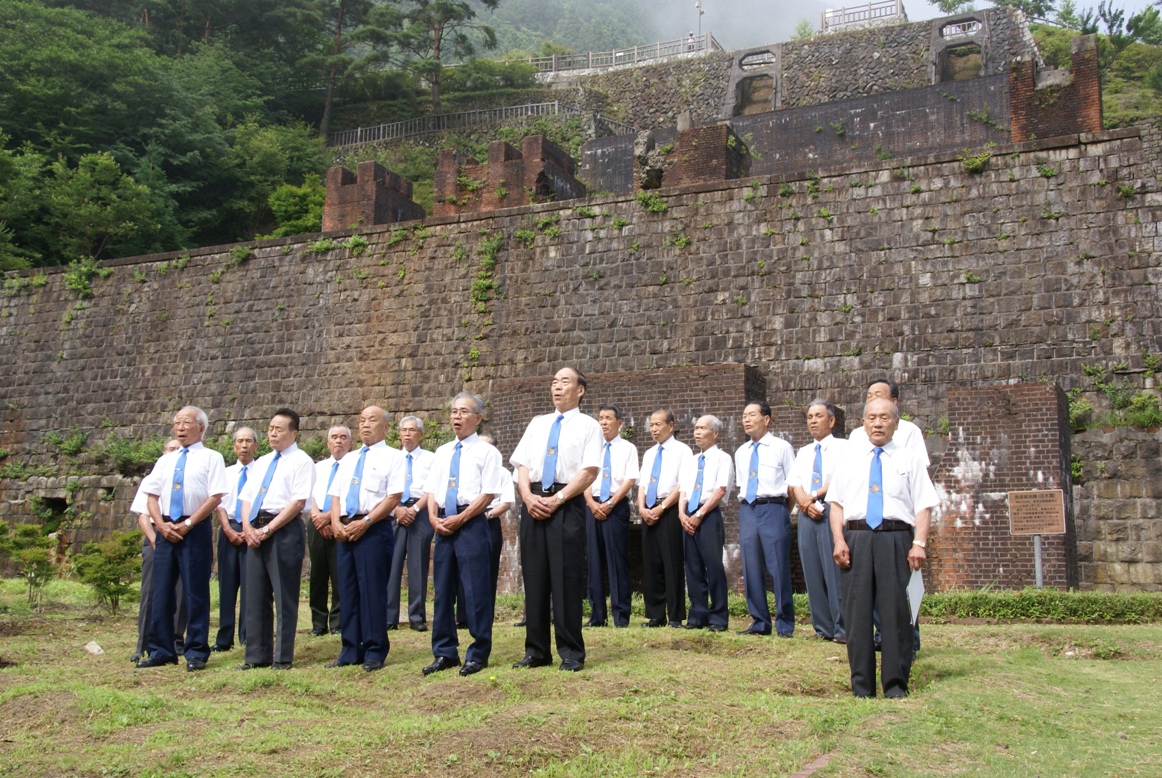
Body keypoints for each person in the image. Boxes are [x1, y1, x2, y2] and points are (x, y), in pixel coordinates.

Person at [828, 397, 937, 698]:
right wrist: (839, 540)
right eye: (872, 417)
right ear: (863, 423)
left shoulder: (909, 458)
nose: (878, 423)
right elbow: (836, 504)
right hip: (857, 538)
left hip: (896, 538)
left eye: (885, 418)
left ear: (896, 423)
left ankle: (895, 685)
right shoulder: (849, 458)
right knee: (857, 613)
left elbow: (924, 505)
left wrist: (919, 544)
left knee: (896, 614)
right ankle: (861, 687)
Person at [510, 367, 602, 672]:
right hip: (533, 501)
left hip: (566, 503)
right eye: (554, 382)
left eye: (564, 382)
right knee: (534, 577)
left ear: (580, 390)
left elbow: (589, 471)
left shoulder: (589, 426)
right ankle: (536, 650)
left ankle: (571, 652)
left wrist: (558, 499)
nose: (557, 387)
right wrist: (527, 496)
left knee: (566, 578)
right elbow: (522, 464)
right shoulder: (538, 424)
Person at [421, 393, 506, 676]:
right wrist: (433, 517)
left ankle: (478, 652)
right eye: (454, 411)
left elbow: (488, 494)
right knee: (443, 591)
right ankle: (445, 652)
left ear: (478, 418)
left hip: (470, 523)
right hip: (443, 524)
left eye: (464, 412)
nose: (456, 417)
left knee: (475, 590)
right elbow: (432, 489)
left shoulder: (487, 453)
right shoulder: (443, 452)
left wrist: (461, 518)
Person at [136, 408, 227, 671]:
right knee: (161, 591)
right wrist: (161, 525)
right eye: (177, 423)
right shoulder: (165, 460)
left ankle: (196, 650)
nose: (180, 427)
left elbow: (215, 496)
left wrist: (188, 523)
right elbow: (151, 495)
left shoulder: (212, 458)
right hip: (166, 528)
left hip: (194, 528)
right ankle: (161, 649)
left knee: (195, 592)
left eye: (186, 422)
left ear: (201, 428)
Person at [326, 406, 404, 672]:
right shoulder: (347, 459)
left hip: (373, 528)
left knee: (372, 590)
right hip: (345, 529)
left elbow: (393, 496)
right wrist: (335, 521)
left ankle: (374, 649)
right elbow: (335, 494)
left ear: (386, 428)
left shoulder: (394, 457)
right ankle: (350, 649)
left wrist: (366, 522)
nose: (365, 425)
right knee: (346, 591)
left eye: (372, 420)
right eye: (361, 421)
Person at [238, 408, 314, 670]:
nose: (272, 432)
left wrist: (268, 529)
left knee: (284, 595)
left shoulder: (301, 461)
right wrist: (248, 527)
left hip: (282, 530)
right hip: (255, 530)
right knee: (255, 595)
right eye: (270, 428)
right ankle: (256, 655)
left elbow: (297, 503)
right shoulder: (261, 462)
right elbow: (246, 498)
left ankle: (282, 657)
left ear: (293, 433)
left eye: (279, 429)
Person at [733, 401, 797, 638]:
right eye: (743, 416)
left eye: (751, 415)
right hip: (748, 509)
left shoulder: (782, 447)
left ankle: (785, 623)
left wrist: (782, 512)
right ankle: (759, 621)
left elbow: (793, 484)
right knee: (751, 567)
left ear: (767, 419)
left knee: (778, 566)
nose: (746, 420)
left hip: (773, 508)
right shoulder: (741, 451)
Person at [788, 400, 847, 644]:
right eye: (810, 416)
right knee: (811, 569)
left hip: (831, 509)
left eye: (818, 416)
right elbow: (795, 482)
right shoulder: (803, 452)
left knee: (834, 572)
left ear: (831, 421)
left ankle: (842, 627)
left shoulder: (844, 447)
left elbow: (840, 478)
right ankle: (822, 627)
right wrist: (804, 503)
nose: (813, 420)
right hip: (806, 514)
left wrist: (813, 497)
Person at [582, 405, 638, 628]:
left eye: (608, 418)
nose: (603, 422)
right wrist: (591, 503)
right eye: (600, 418)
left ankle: (621, 615)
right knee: (593, 561)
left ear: (619, 423)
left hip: (616, 506)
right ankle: (597, 615)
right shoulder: (590, 448)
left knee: (617, 561)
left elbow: (630, 479)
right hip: (592, 505)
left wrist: (611, 503)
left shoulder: (628, 448)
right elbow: (584, 477)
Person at [677, 415, 734, 632]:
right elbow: (684, 490)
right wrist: (682, 514)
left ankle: (718, 617)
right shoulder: (692, 460)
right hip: (688, 514)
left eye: (702, 428)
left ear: (715, 433)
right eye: (696, 428)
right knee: (692, 567)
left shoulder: (722, 458)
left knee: (714, 566)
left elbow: (720, 490)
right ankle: (697, 616)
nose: (697, 432)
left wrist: (699, 514)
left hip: (708, 515)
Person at [132, 438, 185, 663]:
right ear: (164, 452)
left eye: (179, 450)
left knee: (181, 592)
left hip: (181, 533)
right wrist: (155, 539)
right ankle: (144, 642)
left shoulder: (186, 478)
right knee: (151, 591)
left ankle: (175, 639)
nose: (174, 453)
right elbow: (142, 514)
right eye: (171, 449)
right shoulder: (152, 479)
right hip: (157, 535)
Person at [637, 409, 691, 628]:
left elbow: (682, 483)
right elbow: (642, 483)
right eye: (651, 425)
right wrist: (641, 507)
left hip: (667, 509)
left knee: (672, 562)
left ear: (671, 425)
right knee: (652, 563)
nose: (654, 429)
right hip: (648, 509)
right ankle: (655, 614)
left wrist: (662, 507)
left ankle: (675, 615)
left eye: (658, 425)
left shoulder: (682, 451)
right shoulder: (650, 453)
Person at [386, 416, 436, 632]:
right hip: (394, 511)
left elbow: (432, 488)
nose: (407, 434)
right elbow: (384, 489)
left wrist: (415, 509)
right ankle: (389, 617)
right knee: (391, 565)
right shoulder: (392, 458)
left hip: (420, 511)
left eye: (412, 430)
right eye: (404, 430)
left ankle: (416, 616)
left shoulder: (431, 459)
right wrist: (396, 509)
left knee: (418, 565)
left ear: (421, 434)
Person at [211, 427, 257, 652]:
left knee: (251, 584)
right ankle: (224, 637)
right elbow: (218, 503)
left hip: (252, 530)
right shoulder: (226, 473)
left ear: (256, 446)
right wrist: (227, 529)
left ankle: (247, 635)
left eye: (249, 441)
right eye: (240, 442)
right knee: (227, 586)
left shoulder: (262, 472)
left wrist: (248, 529)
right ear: (234, 446)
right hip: (228, 529)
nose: (244, 446)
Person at [307, 425, 350, 636]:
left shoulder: (352, 466)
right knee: (317, 574)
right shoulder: (318, 467)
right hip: (317, 523)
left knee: (339, 573)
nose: (338, 441)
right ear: (328, 443)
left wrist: (330, 519)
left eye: (343, 437)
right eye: (334, 437)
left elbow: (349, 498)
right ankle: (318, 622)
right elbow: (309, 496)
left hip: (339, 521)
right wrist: (318, 518)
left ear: (350, 443)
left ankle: (338, 621)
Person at [478, 434, 514, 600]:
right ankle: (463, 615)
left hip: (489, 521)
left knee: (489, 568)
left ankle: (487, 613)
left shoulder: (502, 473)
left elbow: (506, 502)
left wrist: (488, 515)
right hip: (466, 519)